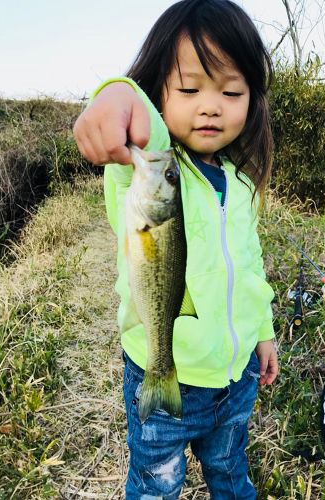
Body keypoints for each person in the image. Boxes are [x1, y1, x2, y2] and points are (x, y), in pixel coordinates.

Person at [73, 0, 279, 498]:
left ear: (252, 97)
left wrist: (263, 332)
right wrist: (115, 96)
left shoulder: (240, 183)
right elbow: (133, 110)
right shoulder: (154, 168)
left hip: (234, 380)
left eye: (231, 91)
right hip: (163, 368)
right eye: (189, 89)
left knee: (230, 470)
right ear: (160, 89)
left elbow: (249, 267)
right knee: (156, 483)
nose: (210, 105)